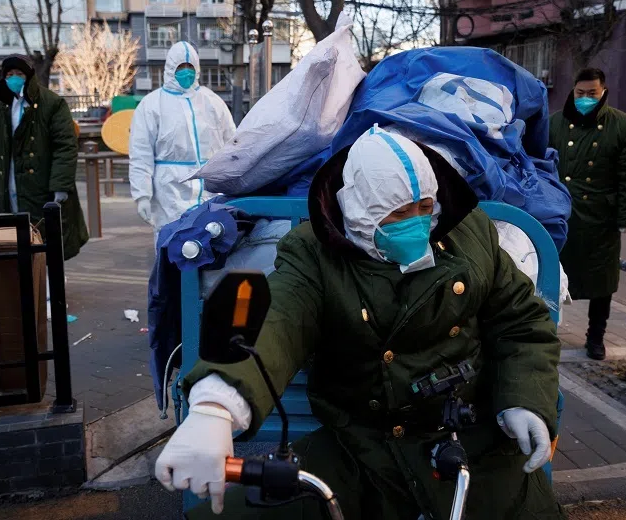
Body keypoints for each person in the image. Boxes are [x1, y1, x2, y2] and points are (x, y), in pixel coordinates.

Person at [155, 127, 565, 520]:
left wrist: (525, 398)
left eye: (425, 208)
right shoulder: (314, 255)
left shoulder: (469, 233)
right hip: (363, 441)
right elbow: (278, 318)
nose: (418, 223)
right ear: (359, 211)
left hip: (468, 432)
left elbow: (521, 321)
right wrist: (215, 407)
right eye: (398, 214)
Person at [549, 68, 626, 360]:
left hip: (600, 218)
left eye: (592, 93)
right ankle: (549, 332)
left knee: (601, 281)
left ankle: (595, 337)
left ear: (603, 92)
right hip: (559, 214)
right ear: (573, 91)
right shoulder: (555, 123)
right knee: (553, 276)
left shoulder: (623, 126)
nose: (586, 98)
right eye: (581, 93)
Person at [0, 54, 89, 260]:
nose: (14, 78)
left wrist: (60, 185)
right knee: (14, 234)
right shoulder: (2, 105)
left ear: (28, 76)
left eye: (19, 74)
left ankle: (47, 281)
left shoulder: (52, 103)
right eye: (9, 74)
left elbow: (65, 147)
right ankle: (24, 280)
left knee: (44, 233)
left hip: (41, 183)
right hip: (10, 179)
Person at [129, 41, 235, 242]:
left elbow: (232, 145)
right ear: (170, 69)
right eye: (180, 67)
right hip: (169, 192)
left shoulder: (212, 102)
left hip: (210, 188)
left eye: (190, 67)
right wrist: (142, 195)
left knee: (211, 244)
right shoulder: (151, 105)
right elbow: (141, 155)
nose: (186, 72)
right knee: (173, 244)